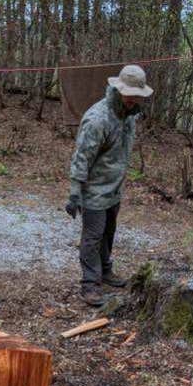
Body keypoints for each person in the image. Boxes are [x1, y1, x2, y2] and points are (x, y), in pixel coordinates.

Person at [65, 64, 153, 306]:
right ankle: (89, 284)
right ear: (119, 90)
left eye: (138, 96)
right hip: (93, 191)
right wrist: (75, 192)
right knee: (93, 236)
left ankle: (105, 271)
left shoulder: (129, 114)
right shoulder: (97, 119)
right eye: (131, 95)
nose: (135, 100)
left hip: (113, 188)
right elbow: (81, 156)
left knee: (108, 232)